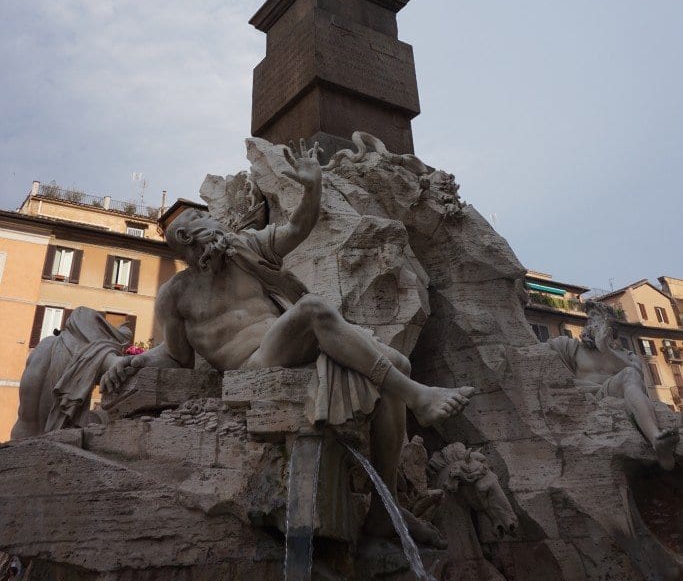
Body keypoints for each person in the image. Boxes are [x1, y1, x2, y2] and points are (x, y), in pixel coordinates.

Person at [101, 141, 474, 544]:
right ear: (189, 236)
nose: (216, 223)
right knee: (313, 308)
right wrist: (132, 362)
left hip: (285, 346)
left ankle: (385, 510)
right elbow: (177, 357)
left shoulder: (245, 249)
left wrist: (312, 189)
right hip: (253, 367)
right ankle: (419, 397)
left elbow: (298, 228)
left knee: (397, 363)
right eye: (202, 219)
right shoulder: (176, 295)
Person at [548, 303, 679, 470]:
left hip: (616, 395)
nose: (590, 324)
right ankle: (657, 441)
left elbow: (637, 379)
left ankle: (657, 441)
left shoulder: (628, 356)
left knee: (629, 374)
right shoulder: (571, 346)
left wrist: (606, 349)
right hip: (585, 399)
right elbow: (537, 351)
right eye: (589, 319)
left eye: (596, 319)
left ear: (610, 328)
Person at [11, 308, 132, 439]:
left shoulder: (45, 344)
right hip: (55, 440)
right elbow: (124, 365)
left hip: (19, 436)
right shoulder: (96, 353)